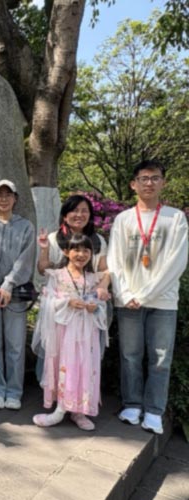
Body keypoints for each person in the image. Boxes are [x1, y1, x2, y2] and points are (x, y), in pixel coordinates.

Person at [107, 160, 188, 435]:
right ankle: (132, 404)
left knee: (161, 358)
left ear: (163, 182)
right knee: (130, 355)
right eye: (144, 178)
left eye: (155, 178)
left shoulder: (175, 218)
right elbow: (114, 259)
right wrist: (125, 293)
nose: (149, 183)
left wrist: (145, 294)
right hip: (128, 300)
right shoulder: (123, 219)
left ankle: (154, 411)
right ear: (134, 184)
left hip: (163, 301)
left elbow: (177, 262)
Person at [32, 234, 108, 431]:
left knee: (84, 367)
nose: (81, 254)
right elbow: (48, 302)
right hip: (64, 331)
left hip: (86, 332)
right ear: (66, 252)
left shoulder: (93, 278)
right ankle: (60, 409)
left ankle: (79, 411)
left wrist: (95, 307)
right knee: (65, 366)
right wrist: (68, 302)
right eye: (76, 250)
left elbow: (101, 305)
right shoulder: (57, 275)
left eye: (86, 251)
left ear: (91, 254)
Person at [0, 180, 35, 410]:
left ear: (15, 199)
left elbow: (25, 259)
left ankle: (14, 391)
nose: (4, 199)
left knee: (16, 345)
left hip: (15, 295)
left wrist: (8, 285)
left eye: (8, 194)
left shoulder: (26, 227)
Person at [37, 194, 108, 274]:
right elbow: (43, 271)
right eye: (74, 210)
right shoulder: (53, 239)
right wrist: (44, 249)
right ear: (65, 216)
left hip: (91, 282)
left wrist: (103, 281)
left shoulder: (99, 240)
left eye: (84, 211)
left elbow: (103, 270)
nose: (79, 215)